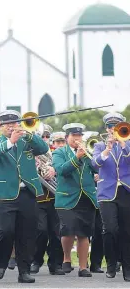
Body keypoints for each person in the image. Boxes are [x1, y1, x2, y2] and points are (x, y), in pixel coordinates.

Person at [0, 110, 48, 283]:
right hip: (4, 194)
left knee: (27, 234)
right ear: (1, 127)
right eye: (7, 124)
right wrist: (11, 142)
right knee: (5, 231)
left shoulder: (26, 141)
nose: (11, 127)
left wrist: (28, 135)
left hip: (27, 192)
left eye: (14, 123)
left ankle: (24, 271)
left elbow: (43, 148)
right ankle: (0, 264)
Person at [52, 123, 98, 277]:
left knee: (84, 233)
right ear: (67, 138)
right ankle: (66, 258)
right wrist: (76, 157)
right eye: (74, 136)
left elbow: (97, 168)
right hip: (66, 198)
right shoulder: (59, 153)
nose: (77, 139)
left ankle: (83, 267)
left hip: (86, 197)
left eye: (79, 136)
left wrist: (94, 155)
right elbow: (61, 170)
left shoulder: (87, 152)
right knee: (68, 229)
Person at [92, 112, 130, 282]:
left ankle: (128, 268)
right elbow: (95, 164)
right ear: (105, 128)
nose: (111, 129)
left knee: (126, 231)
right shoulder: (100, 146)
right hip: (107, 192)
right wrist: (108, 148)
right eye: (109, 126)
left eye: (115, 126)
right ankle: (111, 263)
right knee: (110, 230)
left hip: (126, 191)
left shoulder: (127, 144)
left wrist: (122, 143)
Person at [31, 130, 65, 275]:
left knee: (56, 233)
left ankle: (56, 264)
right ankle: (36, 260)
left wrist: (53, 170)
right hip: (38, 198)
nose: (44, 139)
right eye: (41, 137)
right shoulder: (30, 154)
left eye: (46, 137)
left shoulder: (54, 154)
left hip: (55, 198)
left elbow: (61, 168)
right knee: (41, 231)